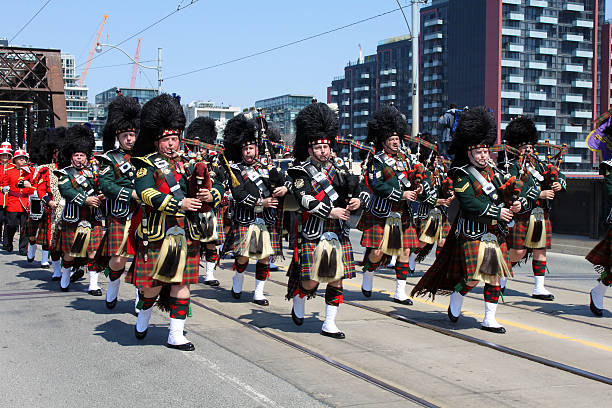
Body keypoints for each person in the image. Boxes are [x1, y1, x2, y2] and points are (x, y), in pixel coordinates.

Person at [412, 107, 519, 334]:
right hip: (471, 232)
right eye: (478, 152)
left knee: (493, 277)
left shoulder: (496, 172)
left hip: (493, 233)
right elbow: (470, 203)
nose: (483, 156)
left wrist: (516, 204)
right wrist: (497, 212)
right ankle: (458, 294)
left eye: (485, 151)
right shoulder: (461, 173)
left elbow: (506, 194)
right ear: (468, 153)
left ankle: (489, 319)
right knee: (472, 277)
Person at [128, 94, 218, 350]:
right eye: (166, 139)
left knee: (182, 285)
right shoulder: (146, 166)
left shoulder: (189, 165)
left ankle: (175, 335)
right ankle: (143, 318)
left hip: (186, 233)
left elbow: (219, 184)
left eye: (174, 139)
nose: (171, 144)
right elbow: (147, 194)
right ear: (157, 141)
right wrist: (179, 204)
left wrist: (211, 193)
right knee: (152, 289)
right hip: (158, 234)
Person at [286, 102, 362, 339]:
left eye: (325, 147)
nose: (322, 151)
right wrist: (331, 212)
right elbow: (304, 199)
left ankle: (329, 323)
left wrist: (357, 201)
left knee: (336, 279)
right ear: (309, 149)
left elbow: (356, 189)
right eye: (318, 147)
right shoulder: (300, 171)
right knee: (311, 282)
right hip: (313, 231)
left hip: (337, 232)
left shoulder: (339, 167)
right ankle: (299, 296)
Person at [358, 105, 422, 305]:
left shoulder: (407, 160)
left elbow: (414, 178)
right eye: (391, 140)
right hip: (381, 212)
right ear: (384, 143)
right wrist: (401, 193)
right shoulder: (376, 161)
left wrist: (418, 187)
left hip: (402, 213)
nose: (395, 143)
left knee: (404, 251)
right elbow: (376, 185)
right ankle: (368, 275)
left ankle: (400, 292)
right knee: (377, 252)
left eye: (397, 139)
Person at [222, 114, 288, 306]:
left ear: (257, 149)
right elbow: (239, 195)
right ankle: (238, 279)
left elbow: (285, 183)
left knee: (264, 258)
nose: (249, 152)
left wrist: (284, 187)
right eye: (246, 149)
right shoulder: (235, 170)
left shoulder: (267, 167)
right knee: (242, 257)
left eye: (252, 148)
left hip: (266, 220)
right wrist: (262, 202)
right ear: (241, 151)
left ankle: (259, 293)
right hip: (245, 219)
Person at [500, 116, 565, 301]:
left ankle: (539, 287)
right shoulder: (510, 167)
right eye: (523, 146)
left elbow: (559, 174)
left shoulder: (541, 164)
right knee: (518, 252)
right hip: (521, 215)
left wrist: (559, 183)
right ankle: (501, 277)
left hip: (539, 214)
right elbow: (514, 190)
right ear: (515, 147)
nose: (528, 149)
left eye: (530, 145)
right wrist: (540, 195)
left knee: (540, 249)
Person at [96, 95, 141, 309]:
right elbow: (106, 185)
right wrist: (129, 194)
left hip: (143, 216)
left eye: (132, 134)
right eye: (126, 135)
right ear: (118, 136)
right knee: (118, 259)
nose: (129, 139)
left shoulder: (146, 158)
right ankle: (113, 285)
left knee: (144, 259)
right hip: (119, 214)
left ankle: (141, 297)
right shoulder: (109, 158)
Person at [55, 125, 105, 294]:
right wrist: (86, 200)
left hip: (93, 217)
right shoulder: (64, 173)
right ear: (71, 157)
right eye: (76, 155)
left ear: (86, 156)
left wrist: (102, 195)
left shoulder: (95, 172)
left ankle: (93, 284)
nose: (79, 158)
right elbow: (66, 191)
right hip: (73, 217)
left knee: (93, 250)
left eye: (81, 155)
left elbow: (101, 187)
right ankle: (65, 277)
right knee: (70, 251)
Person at [183, 116, 227, 287]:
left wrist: (212, 195)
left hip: (208, 210)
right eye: (196, 146)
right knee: (189, 243)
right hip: (189, 209)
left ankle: (209, 273)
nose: (199, 150)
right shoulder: (184, 163)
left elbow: (221, 185)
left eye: (202, 147)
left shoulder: (215, 166)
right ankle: (188, 270)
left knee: (210, 243)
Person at [24, 128, 59, 268]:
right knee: (32, 233)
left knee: (46, 234)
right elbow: (31, 183)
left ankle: (45, 259)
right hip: (37, 203)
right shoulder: (37, 168)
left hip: (52, 207)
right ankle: (31, 246)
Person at [2, 148, 34, 255]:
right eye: (20, 159)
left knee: (25, 227)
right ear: (15, 160)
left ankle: (23, 248)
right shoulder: (9, 172)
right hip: (13, 201)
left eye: (24, 159)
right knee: (11, 225)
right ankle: (9, 243)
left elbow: (34, 184)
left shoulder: (31, 172)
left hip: (25, 201)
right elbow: (4, 184)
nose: (22, 161)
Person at [0, 142, 14, 249]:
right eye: (3, 155)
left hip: (10, 199)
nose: (5, 157)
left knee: (9, 222)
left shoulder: (13, 167)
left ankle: (6, 243)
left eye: (6, 155)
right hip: (0, 198)